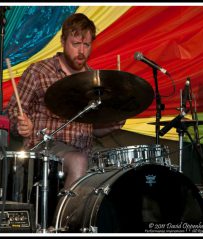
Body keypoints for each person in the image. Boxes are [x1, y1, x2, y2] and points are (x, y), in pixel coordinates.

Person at [7, 13, 123, 197]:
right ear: (62, 41)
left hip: (85, 149)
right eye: (76, 44)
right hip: (46, 150)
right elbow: (13, 110)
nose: (81, 51)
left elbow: (92, 128)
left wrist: (109, 126)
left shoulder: (94, 80)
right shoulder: (39, 71)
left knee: (119, 167)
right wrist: (21, 123)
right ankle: (63, 223)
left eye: (86, 45)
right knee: (78, 161)